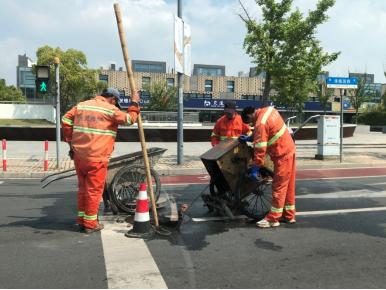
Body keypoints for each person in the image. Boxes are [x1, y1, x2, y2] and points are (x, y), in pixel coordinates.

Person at [62, 88, 140, 234]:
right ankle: (90, 224)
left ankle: (82, 220)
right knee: (93, 191)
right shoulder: (110, 109)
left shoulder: (82, 105)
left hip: (79, 156)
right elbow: (130, 119)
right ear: (113, 100)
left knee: (83, 189)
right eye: (116, 104)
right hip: (97, 158)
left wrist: (70, 142)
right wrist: (134, 101)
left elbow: (65, 119)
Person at [240, 106, 296, 228]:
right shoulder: (269, 110)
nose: (252, 124)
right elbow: (267, 130)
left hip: (282, 154)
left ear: (250, 115)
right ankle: (288, 215)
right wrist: (251, 137)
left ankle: (273, 219)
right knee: (288, 185)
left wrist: (255, 168)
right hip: (289, 149)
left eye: (250, 122)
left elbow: (260, 150)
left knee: (278, 186)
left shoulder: (260, 123)